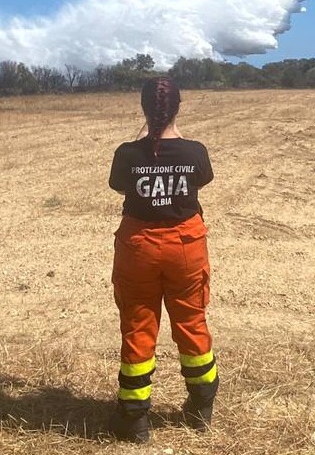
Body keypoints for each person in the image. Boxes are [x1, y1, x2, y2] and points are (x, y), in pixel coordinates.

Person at [107, 76, 217, 443]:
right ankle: (200, 407)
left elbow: (121, 186)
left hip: (138, 246)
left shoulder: (127, 153)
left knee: (138, 325)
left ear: (143, 108)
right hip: (186, 245)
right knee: (191, 321)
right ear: (177, 107)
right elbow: (200, 182)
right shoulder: (195, 152)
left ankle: (135, 419)